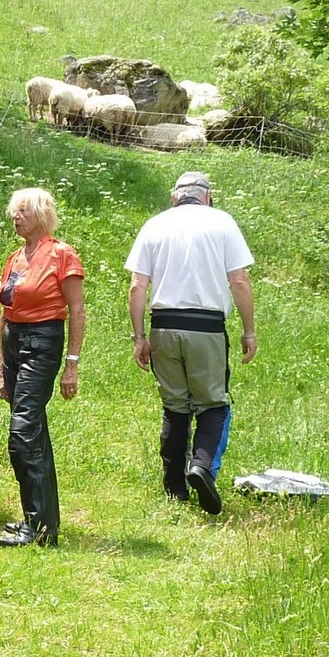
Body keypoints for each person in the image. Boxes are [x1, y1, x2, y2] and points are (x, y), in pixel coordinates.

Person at [125, 171, 257, 514]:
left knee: (175, 406)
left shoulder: (154, 225)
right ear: (207, 197)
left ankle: (174, 488)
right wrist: (248, 330)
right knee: (213, 403)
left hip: (163, 326)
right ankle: (200, 466)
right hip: (207, 327)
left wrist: (140, 336)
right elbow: (240, 280)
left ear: (175, 197)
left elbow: (137, 286)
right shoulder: (222, 222)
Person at [0, 188, 85, 548]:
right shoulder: (15, 258)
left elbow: (76, 310)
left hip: (43, 343)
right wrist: (2, 366)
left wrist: (72, 365)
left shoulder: (61, 254)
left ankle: (37, 525)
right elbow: (4, 313)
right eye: (14, 212)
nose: (16, 218)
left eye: (23, 212)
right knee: (34, 434)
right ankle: (43, 524)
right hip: (13, 344)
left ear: (41, 216)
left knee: (22, 433)